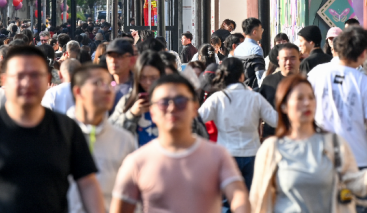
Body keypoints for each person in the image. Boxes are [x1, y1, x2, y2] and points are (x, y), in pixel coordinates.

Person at [0, 45, 105, 213]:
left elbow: (87, 183)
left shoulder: (66, 129)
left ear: (48, 79)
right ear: (4, 80)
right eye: (19, 76)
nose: (27, 83)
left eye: (35, 75)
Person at [250, 74, 367, 213]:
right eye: (300, 98)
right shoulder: (272, 148)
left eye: (310, 97)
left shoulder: (333, 143)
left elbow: (351, 180)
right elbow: (258, 200)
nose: (307, 103)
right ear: (283, 106)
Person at [111, 73, 248, 213]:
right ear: (152, 111)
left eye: (180, 101)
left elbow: (238, 196)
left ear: (195, 108)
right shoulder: (136, 162)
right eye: (163, 103)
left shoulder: (218, 155)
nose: (172, 108)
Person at [307, 26, 367, 173]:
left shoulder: (315, 74)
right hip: (357, 158)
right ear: (363, 53)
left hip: (321, 156)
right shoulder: (366, 83)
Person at [67, 63, 137, 213]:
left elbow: (133, 195)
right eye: (98, 83)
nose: (107, 90)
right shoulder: (58, 135)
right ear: (78, 91)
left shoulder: (124, 140)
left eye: (110, 83)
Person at [197, 56, 277, 188]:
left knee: (228, 201)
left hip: (226, 155)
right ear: (242, 75)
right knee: (251, 199)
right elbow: (275, 120)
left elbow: (197, 120)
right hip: (252, 155)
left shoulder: (218, 98)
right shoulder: (255, 97)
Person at [110, 52, 169, 145]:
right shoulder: (128, 100)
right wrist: (132, 114)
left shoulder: (174, 101)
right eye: (143, 78)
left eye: (153, 78)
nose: (148, 82)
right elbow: (110, 133)